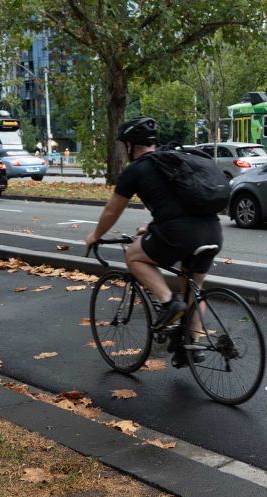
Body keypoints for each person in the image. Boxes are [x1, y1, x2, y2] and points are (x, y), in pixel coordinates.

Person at [85, 116, 222, 365]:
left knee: (134, 257)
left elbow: (112, 211)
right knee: (192, 288)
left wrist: (95, 236)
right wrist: (149, 227)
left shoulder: (136, 170)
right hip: (212, 231)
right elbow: (177, 204)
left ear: (130, 145)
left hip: (179, 234)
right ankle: (193, 344)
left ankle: (168, 302)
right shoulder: (172, 161)